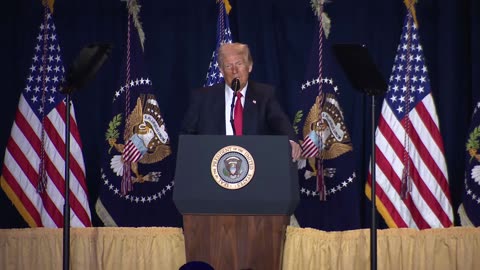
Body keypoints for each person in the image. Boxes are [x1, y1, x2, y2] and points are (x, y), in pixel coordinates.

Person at [181, 42, 301, 161]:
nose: (234, 71)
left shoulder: (265, 95)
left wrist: (291, 141)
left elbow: (279, 121)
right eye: (228, 66)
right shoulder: (203, 98)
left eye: (239, 63)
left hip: (256, 165)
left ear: (249, 66)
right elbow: (187, 136)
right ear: (221, 71)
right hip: (212, 166)